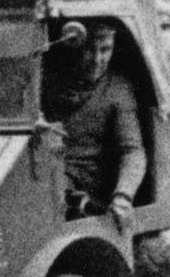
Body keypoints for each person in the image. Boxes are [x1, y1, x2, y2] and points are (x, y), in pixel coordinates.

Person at [41, 18, 150, 222]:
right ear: (73, 48)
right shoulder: (48, 81)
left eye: (106, 50)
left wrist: (123, 196)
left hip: (88, 191)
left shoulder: (117, 89)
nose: (97, 60)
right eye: (89, 50)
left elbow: (132, 150)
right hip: (47, 176)